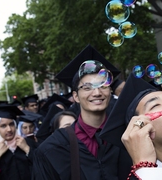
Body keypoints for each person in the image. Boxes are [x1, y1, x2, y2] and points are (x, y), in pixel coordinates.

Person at [32, 44, 132, 180]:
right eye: (87, 87)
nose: (97, 92)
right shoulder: (53, 148)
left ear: (110, 92)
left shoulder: (128, 136)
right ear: (75, 97)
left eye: (103, 86)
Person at [0, 105, 38, 179]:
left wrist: (27, 149)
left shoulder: (28, 143)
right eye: (3, 126)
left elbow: (43, 166)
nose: (9, 129)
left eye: (11, 124)